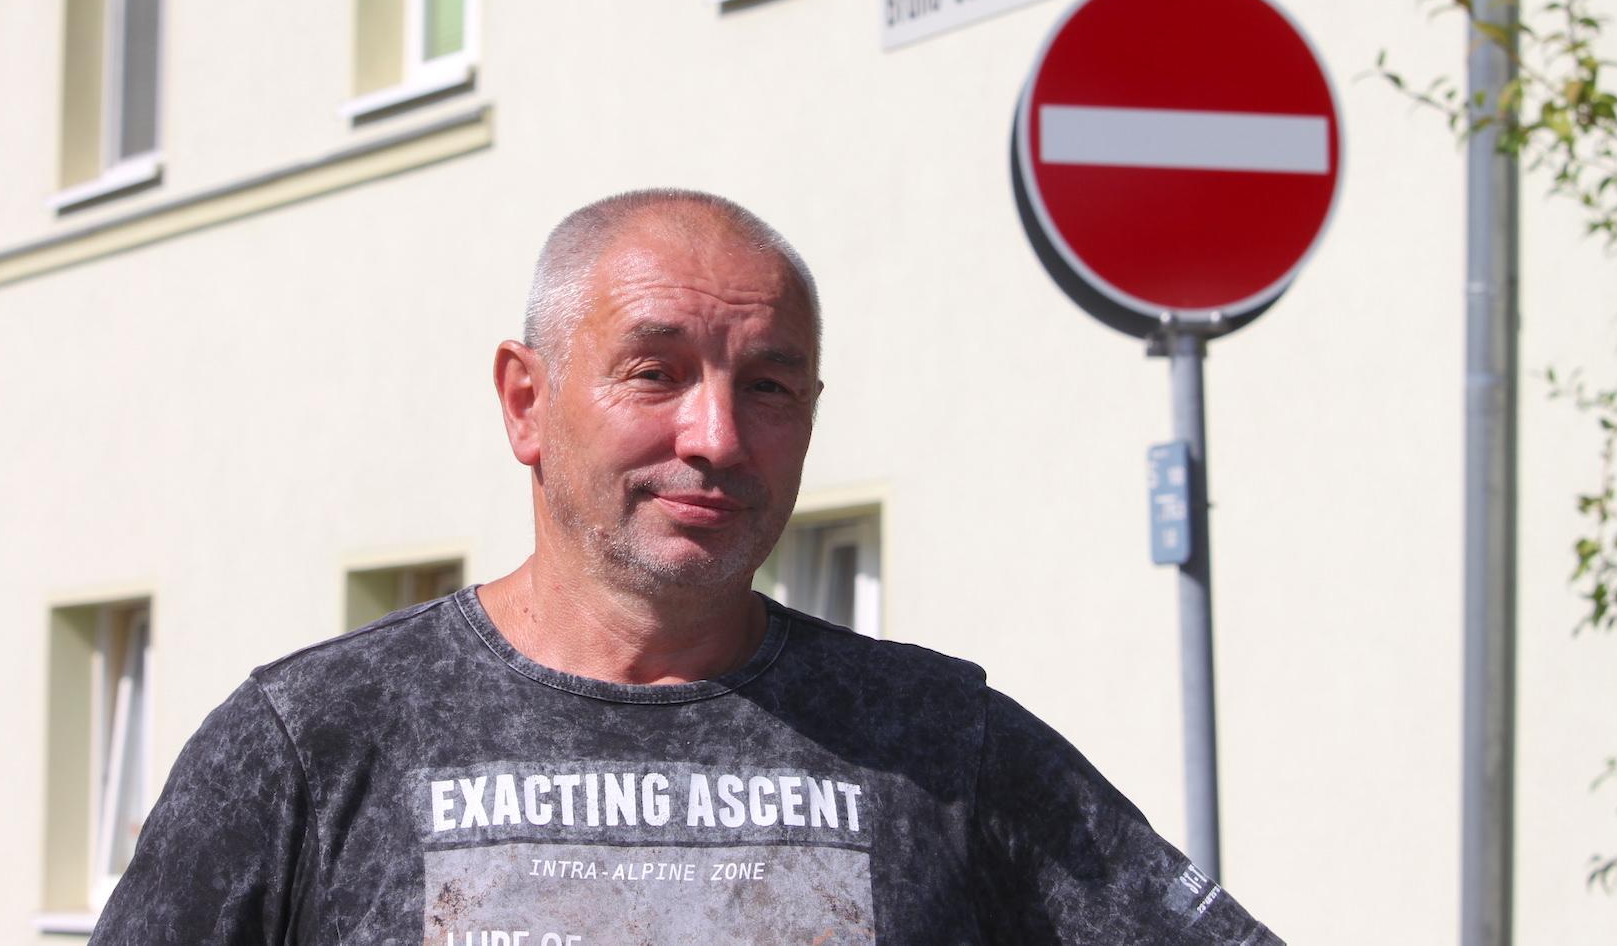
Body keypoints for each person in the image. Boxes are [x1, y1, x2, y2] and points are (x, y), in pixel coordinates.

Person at [92, 189, 1282, 944]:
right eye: (655, 372)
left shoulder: (940, 743)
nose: (717, 436)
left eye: (767, 384)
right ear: (527, 401)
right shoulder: (311, 744)